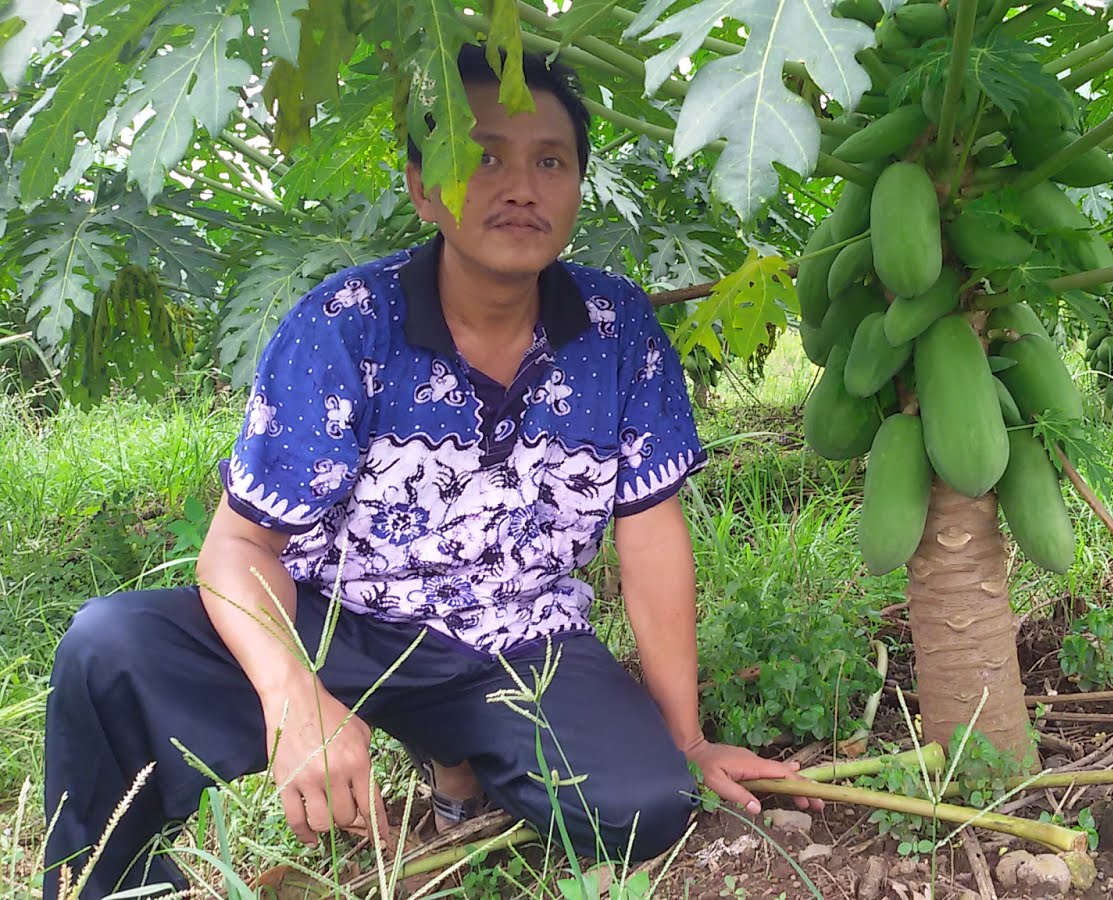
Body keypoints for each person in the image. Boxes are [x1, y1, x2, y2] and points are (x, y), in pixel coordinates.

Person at [41, 44, 817, 899]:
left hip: (518, 643)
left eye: (549, 161)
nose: (520, 185)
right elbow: (235, 549)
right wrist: (293, 694)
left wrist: (689, 739)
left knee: (645, 804)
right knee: (108, 648)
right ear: (422, 185)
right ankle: (112, 884)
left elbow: (651, 532)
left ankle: (456, 758)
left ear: (575, 188)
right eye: (480, 157)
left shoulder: (619, 329)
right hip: (338, 625)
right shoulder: (344, 325)